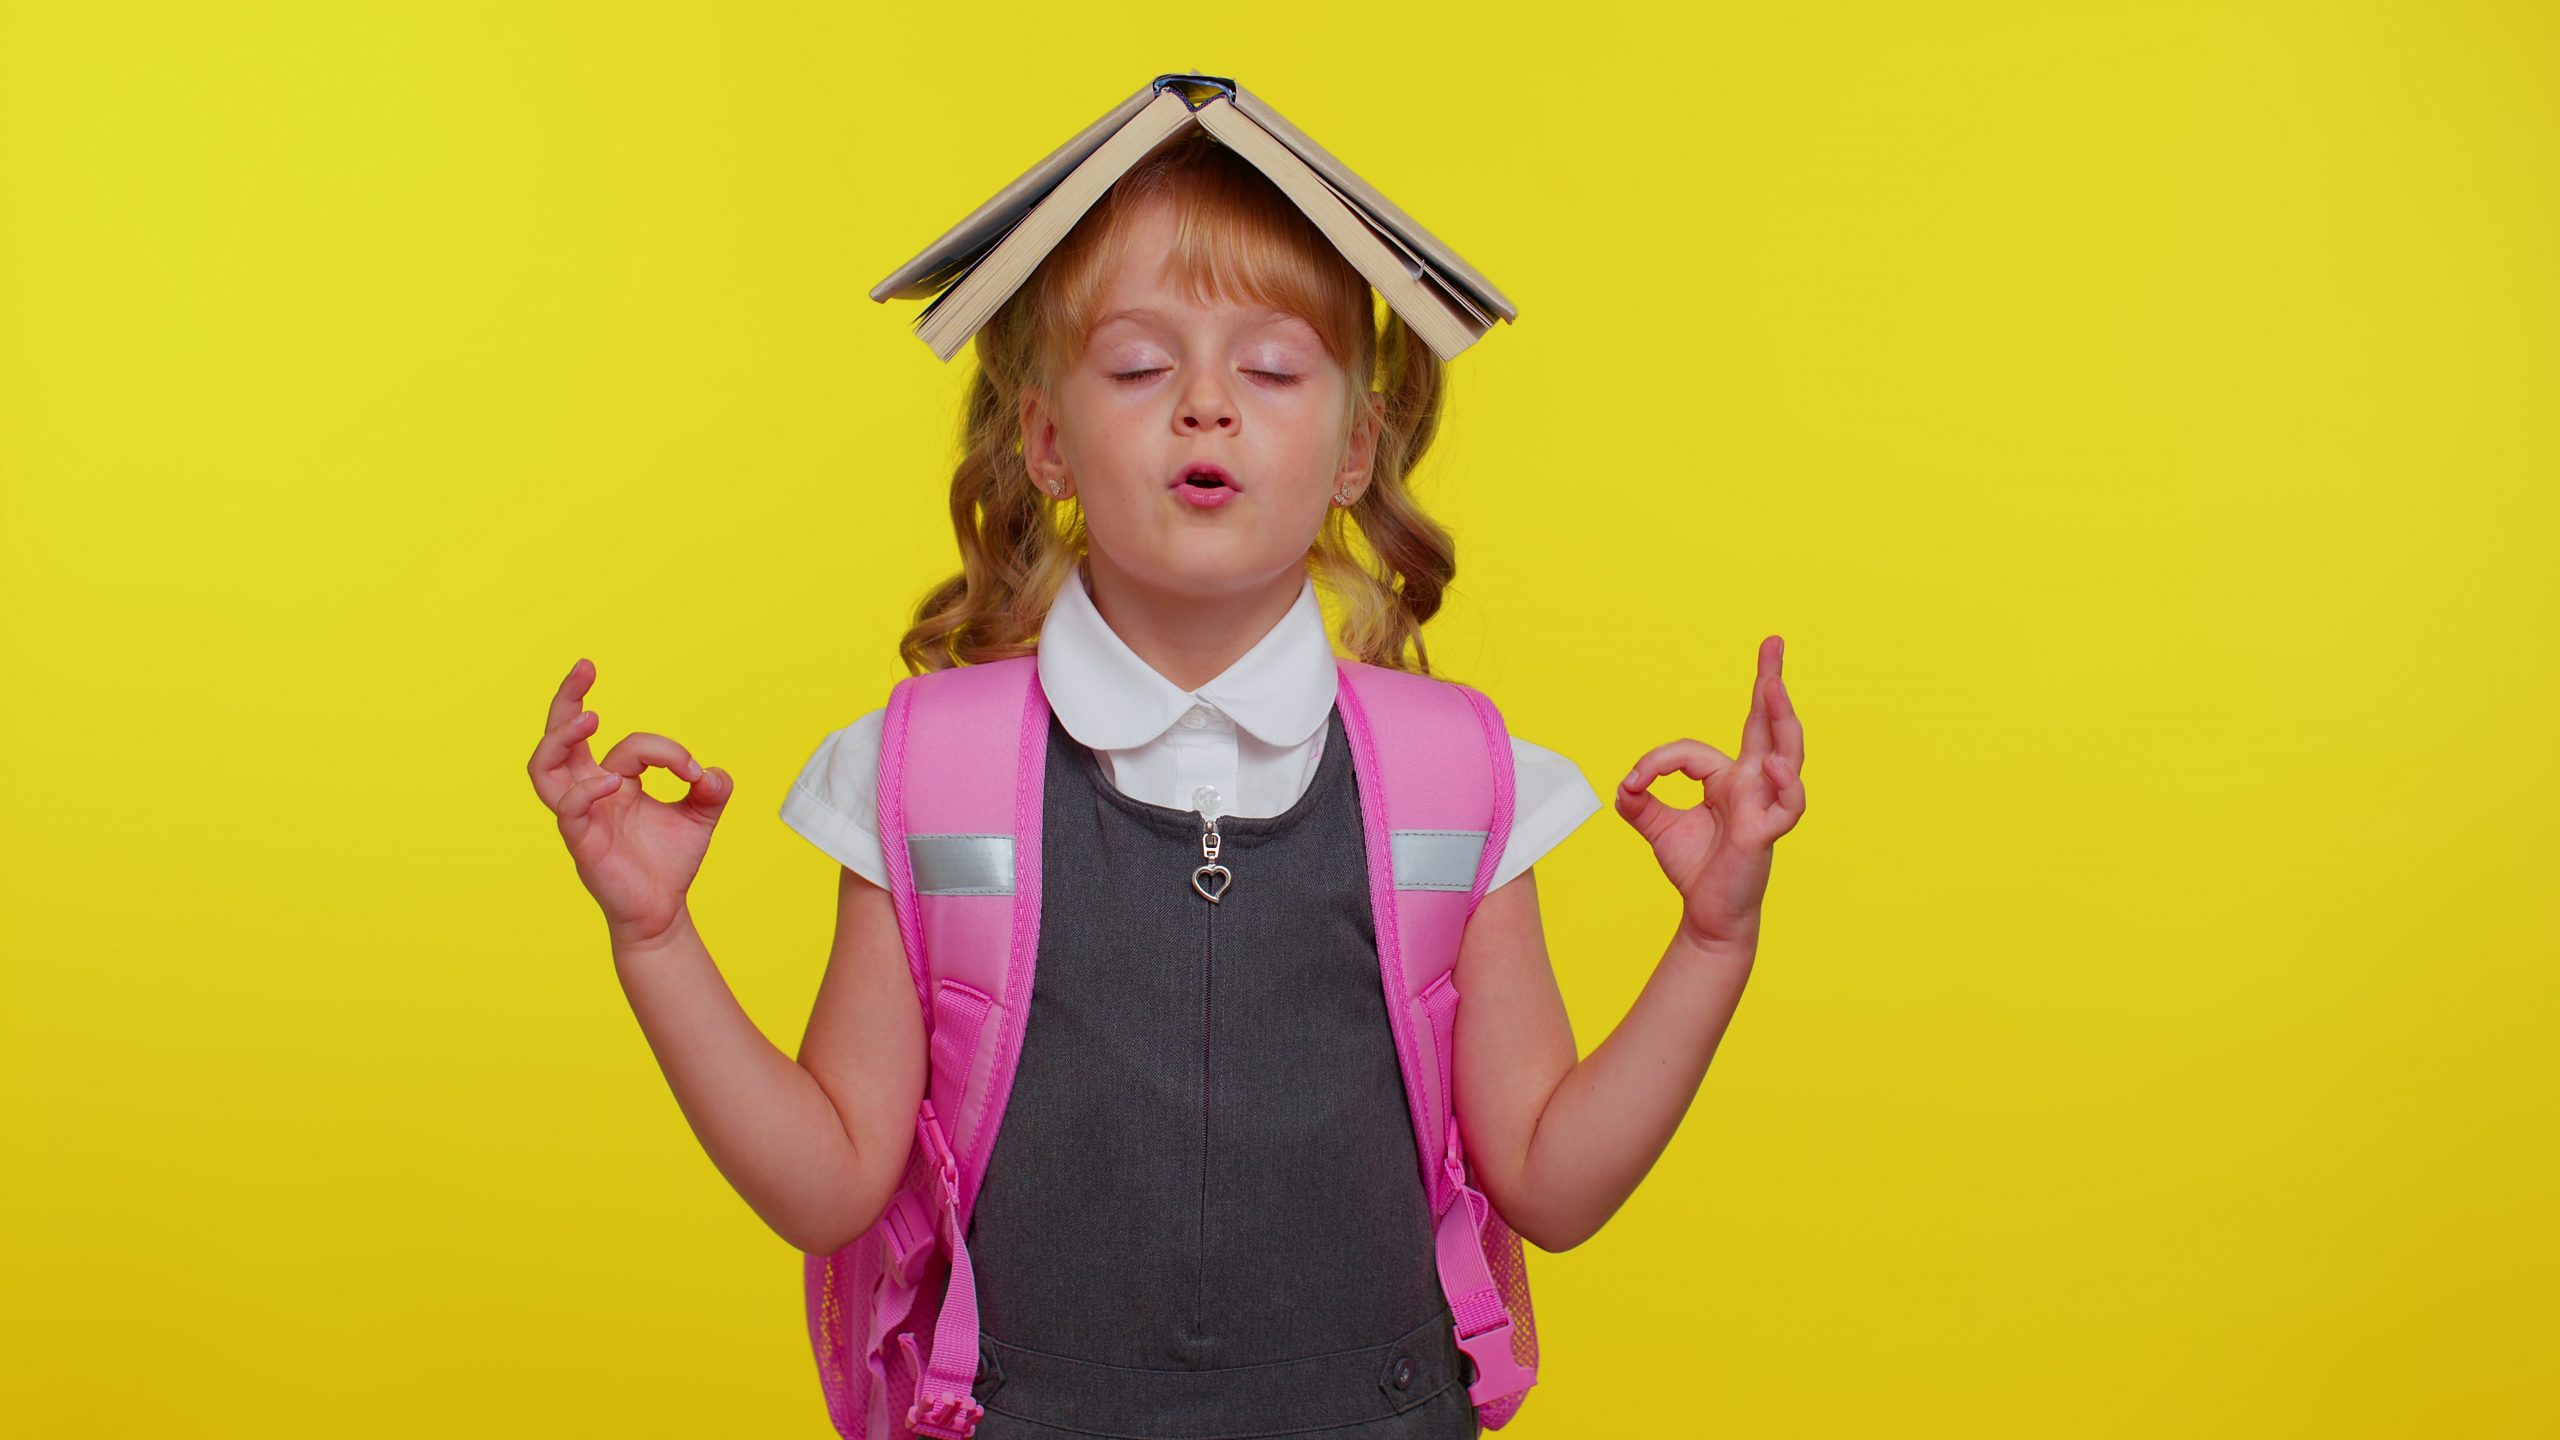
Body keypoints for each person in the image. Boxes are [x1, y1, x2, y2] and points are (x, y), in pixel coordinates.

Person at [527, 126, 1807, 1439]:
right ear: (1046, 444)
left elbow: (1553, 1183)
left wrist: (1713, 942)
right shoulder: (925, 777)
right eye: (1140, 366)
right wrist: (656, 935)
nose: (1208, 401)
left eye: (1269, 365)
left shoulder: (1459, 781)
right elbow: (828, 1188)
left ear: (1357, 451)